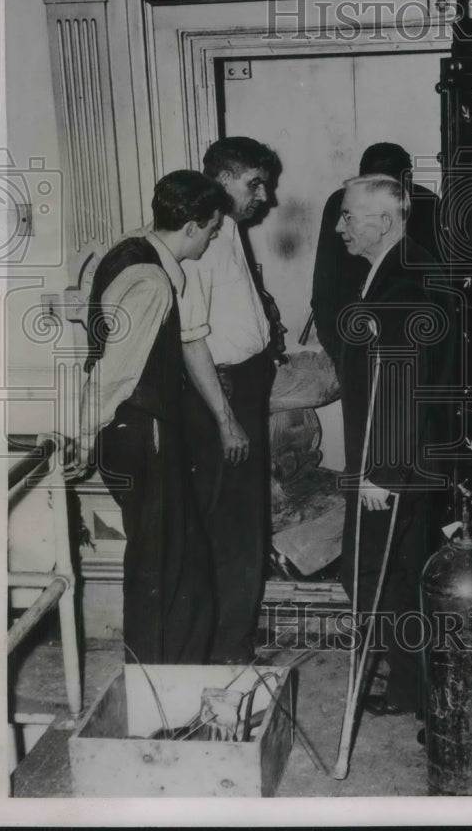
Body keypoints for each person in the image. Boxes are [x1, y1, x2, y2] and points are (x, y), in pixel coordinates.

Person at [76, 170, 230, 664]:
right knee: (171, 566)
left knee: (157, 559)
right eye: (211, 228)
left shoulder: (125, 252)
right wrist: (79, 432)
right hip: (144, 430)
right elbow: (116, 369)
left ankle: (153, 674)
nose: (213, 237)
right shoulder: (152, 281)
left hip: (129, 433)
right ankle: (163, 682)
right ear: (191, 226)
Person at [336, 175, 458, 718]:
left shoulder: (403, 283)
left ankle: (430, 692)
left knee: (367, 573)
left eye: (348, 216)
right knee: (406, 575)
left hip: (396, 460)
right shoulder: (400, 269)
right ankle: (422, 693)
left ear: (382, 222)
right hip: (415, 456)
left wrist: (380, 474)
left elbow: (402, 384)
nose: (340, 227)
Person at [180, 136, 282, 664]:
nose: (265, 196)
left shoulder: (229, 230)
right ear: (222, 181)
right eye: (254, 184)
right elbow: (190, 336)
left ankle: (232, 640)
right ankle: (226, 649)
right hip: (224, 389)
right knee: (234, 525)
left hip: (246, 381)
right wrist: (225, 417)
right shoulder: (203, 239)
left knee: (246, 520)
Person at [311, 142, 441, 367]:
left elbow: (439, 283)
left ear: (406, 181)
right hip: (355, 334)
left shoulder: (428, 205)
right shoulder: (340, 204)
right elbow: (325, 286)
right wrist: (339, 351)